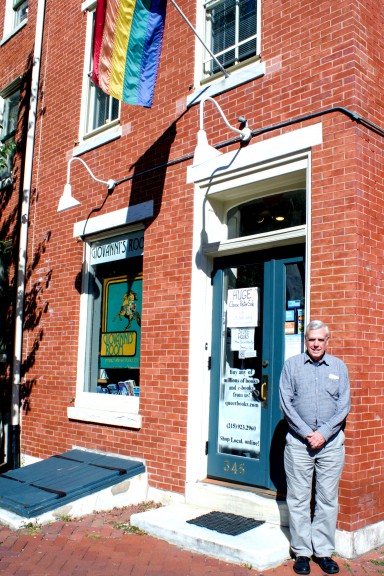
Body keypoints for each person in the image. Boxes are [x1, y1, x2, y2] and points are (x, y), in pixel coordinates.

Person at [279, 320, 350, 575]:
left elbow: (344, 406)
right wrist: (309, 433)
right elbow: (286, 403)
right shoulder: (292, 366)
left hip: (331, 444)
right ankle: (301, 552)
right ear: (305, 341)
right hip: (299, 443)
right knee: (298, 498)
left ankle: (322, 551)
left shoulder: (339, 368)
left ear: (327, 341)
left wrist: (323, 434)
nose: (316, 344)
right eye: (312, 340)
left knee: (327, 498)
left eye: (321, 339)